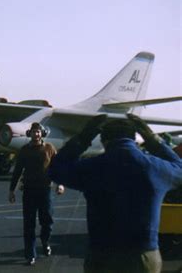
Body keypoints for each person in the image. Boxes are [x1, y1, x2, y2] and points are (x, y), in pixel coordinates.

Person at [48, 114, 182, 273]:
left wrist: (85, 136)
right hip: (142, 255)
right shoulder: (155, 168)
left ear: (104, 141)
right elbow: (179, 167)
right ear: (134, 139)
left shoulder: (91, 167)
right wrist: (152, 139)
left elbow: (56, 169)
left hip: (102, 255)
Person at [8, 122, 65, 266]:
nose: (36, 134)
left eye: (38, 132)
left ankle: (45, 241)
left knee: (47, 221)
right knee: (29, 224)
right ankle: (30, 254)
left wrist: (61, 184)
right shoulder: (24, 150)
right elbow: (17, 172)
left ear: (42, 134)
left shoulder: (49, 148)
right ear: (30, 133)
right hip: (29, 191)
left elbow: (58, 167)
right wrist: (11, 191)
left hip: (45, 190)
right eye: (34, 131)